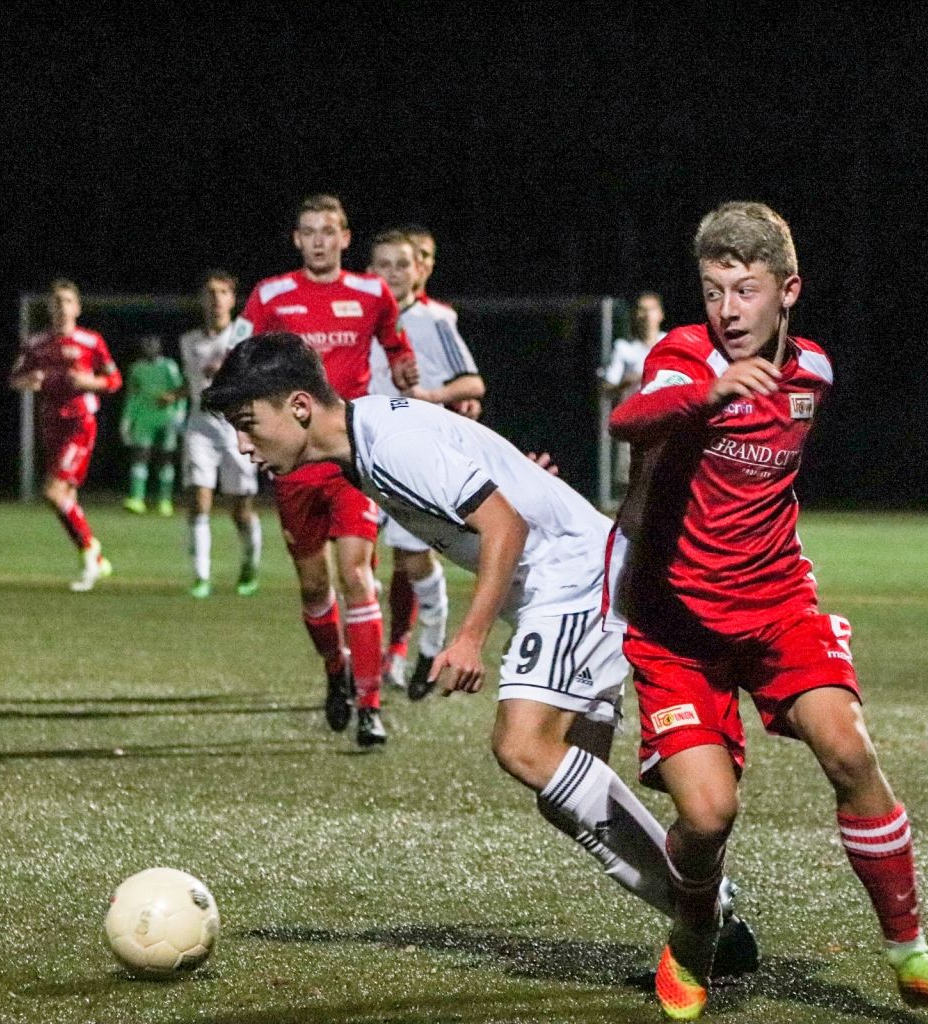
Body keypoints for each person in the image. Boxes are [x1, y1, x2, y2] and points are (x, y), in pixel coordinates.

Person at [202, 331, 761, 983]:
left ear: (299, 406)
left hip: (572, 574)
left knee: (522, 746)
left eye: (248, 424)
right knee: (560, 787)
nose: (244, 445)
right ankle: (713, 918)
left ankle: (708, 924)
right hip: (573, 575)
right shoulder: (367, 439)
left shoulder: (388, 442)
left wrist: (466, 638)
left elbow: (505, 526)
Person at [605, 201, 928, 1019]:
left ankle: (911, 954)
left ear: (788, 291)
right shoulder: (683, 357)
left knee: (849, 751)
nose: (727, 309)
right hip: (679, 631)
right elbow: (628, 418)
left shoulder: (814, 371)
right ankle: (691, 936)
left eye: (745, 290)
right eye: (713, 290)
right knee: (707, 818)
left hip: (779, 609)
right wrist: (706, 395)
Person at [231, 194, 418, 747]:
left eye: (327, 231)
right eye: (308, 231)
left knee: (356, 575)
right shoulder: (271, 296)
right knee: (315, 588)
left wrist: (404, 366)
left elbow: (395, 343)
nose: (318, 240)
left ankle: (370, 704)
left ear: (344, 237)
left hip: (349, 456)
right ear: (297, 240)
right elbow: (241, 367)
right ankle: (336, 671)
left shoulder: (370, 293)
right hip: (293, 464)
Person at [368, 230, 486, 696]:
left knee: (413, 560)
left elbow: (473, 383)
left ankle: (429, 642)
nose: (393, 274)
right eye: (383, 266)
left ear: (418, 269)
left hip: (411, 459)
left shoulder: (436, 321)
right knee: (353, 564)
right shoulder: (363, 318)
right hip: (359, 455)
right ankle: (366, 670)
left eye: (402, 265)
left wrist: (431, 396)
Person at [9, 279, 121, 592]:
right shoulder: (36, 343)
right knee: (65, 499)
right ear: (49, 308)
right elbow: (15, 378)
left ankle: (89, 556)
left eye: (67, 302)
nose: (61, 307)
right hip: (50, 423)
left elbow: (113, 380)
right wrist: (28, 379)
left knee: (53, 492)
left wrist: (90, 383)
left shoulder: (91, 341)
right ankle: (97, 560)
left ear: (77, 308)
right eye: (56, 302)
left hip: (80, 423)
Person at [176, 270, 262, 598]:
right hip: (200, 425)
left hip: (236, 426)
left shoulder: (243, 335)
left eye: (222, 292)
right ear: (202, 299)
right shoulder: (188, 341)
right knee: (199, 501)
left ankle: (249, 564)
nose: (215, 299)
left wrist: (228, 373)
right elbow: (194, 384)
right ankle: (201, 576)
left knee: (241, 508)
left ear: (231, 298)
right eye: (210, 293)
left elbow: (256, 381)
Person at [599, 291, 666, 494]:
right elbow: (606, 387)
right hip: (635, 426)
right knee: (632, 485)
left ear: (660, 314)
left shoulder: (671, 343)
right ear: (636, 315)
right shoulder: (625, 349)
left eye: (651, 309)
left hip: (665, 424)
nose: (646, 315)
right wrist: (628, 381)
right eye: (642, 310)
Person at [120, 334, 185, 517]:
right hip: (143, 418)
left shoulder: (168, 366)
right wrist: (127, 419)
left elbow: (179, 390)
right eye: (146, 345)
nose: (149, 349)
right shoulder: (137, 368)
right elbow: (132, 395)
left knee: (165, 458)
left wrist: (179, 413)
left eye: (152, 345)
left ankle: (165, 500)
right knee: (140, 457)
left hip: (167, 418)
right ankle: (137, 498)